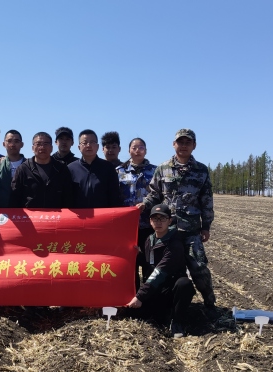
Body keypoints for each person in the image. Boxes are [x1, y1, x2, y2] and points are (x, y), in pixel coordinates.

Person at [140, 128, 217, 308]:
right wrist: (143, 204)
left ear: (194, 146)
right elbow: (154, 194)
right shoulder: (163, 169)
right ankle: (155, 304)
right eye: (180, 142)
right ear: (174, 144)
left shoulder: (201, 170)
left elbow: (206, 201)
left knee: (199, 267)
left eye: (188, 142)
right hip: (167, 231)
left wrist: (206, 226)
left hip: (191, 231)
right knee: (160, 267)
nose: (184, 145)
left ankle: (210, 304)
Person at [126, 204, 194, 338]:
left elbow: (160, 271)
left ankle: (177, 322)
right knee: (134, 313)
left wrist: (140, 296)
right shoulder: (149, 240)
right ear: (150, 222)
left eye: (162, 219)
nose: (158, 222)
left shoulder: (174, 244)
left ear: (169, 221)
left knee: (184, 284)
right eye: (155, 219)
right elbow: (148, 263)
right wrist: (137, 255)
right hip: (156, 289)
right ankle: (162, 314)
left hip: (170, 290)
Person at [117, 137, 157, 290]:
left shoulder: (155, 171)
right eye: (134, 147)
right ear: (129, 150)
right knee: (129, 262)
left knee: (149, 261)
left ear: (146, 151)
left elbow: (160, 194)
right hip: (126, 227)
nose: (137, 150)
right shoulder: (119, 171)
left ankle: (147, 296)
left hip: (149, 225)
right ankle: (132, 294)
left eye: (141, 147)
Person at [10, 132, 75, 208]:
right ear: (33, 148)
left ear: (51, 148)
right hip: (30, 214)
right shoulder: (23, 169)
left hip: (56, 214)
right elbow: (14, 197)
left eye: (46, 144)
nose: (42, 147)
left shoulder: (61, 168)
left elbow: (68, 197)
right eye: (38, 144)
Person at [67, 129, 123, 208]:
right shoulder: (71, 168)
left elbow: (114, 197)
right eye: (84, 143)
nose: (88, 145)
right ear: (79, 147)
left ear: (97, 147)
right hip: (78, 215)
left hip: (103, 214)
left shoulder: (108, 168)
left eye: (92, 142)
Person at [0, 129, 26, 207]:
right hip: (1, 211)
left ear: (22, 144)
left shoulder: (30, 166)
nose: (13, 144)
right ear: (4, 144)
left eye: (16, 141)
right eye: (9, 141)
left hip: (24, 210)